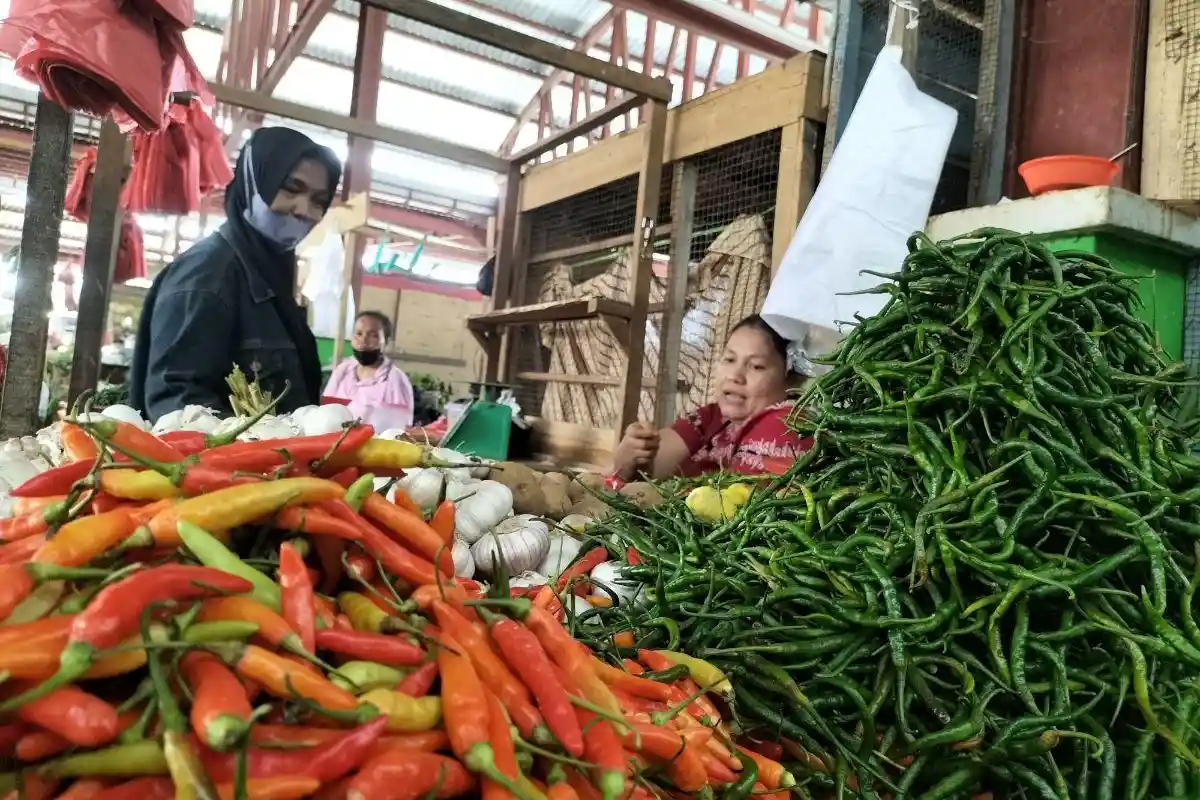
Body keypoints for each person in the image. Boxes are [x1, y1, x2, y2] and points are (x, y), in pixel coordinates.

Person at [130, 127, 341, 421]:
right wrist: (253, 450)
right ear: (254, 183)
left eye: (319, 200)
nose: (305, 210)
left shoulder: (269, 276)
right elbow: (178, 403)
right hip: (228, 465)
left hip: (276, 465)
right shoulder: (207, 276)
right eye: (291, 188)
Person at [610, 314, 811, 480]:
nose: (735, 376)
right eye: (730, 359)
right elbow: (650, 468)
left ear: (790, 378)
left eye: (756, 366)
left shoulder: (787, 426)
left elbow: (731, 509)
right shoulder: (713, 418)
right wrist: (631, 453)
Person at [324, 311, 415, 430]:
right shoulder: (343, 371)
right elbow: (325, 411)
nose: (364, 340)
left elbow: (399, 428)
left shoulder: (395, 380)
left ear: (386, 341)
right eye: (359, 333)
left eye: (373, 335)